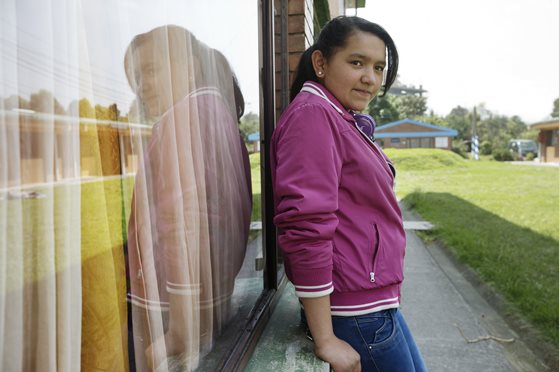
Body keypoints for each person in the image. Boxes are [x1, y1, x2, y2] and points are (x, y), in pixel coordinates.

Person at [271, 16, 427, 371]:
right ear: (321, 63)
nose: (370, 78)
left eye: (378, 67)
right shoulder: (314, 115)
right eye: (356, 63)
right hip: (354, 312)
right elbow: (306, 224)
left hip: (372, 304)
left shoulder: (337, 116)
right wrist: (325, 338)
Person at [124, 25, 252, 371]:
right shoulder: (219, 115)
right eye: (136, 75)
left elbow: (184, 220)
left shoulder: (181, 119)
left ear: (190, 67)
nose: (141, 84)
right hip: (208, 298)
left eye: (150, 70)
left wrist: (179, 327)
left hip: (169, 309)